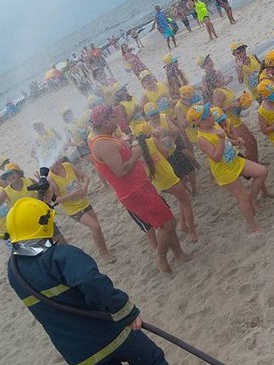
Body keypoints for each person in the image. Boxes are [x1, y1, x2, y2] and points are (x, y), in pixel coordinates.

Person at [4, 197, 202, 365]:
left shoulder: (14, 272)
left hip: (81, 357)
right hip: (113, 333)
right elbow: (90, 282)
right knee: (152, 362)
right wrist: (124, 308)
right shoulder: (62, 256)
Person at [88, 105, 191, 274]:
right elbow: (121, 171)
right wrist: (137, 152)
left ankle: (179, 254)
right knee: (168, 223)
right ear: (104, 121)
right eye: (113, 118)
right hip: (134, 192)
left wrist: (127, 145)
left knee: (166, 221)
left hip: (140, 185)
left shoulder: (105, 138)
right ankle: (161, 259)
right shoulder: (103, 144)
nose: (116, 121)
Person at [188, 104, 267, 232]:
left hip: (235, 160)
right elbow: (216, 157)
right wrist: (220, 139)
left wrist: (237, 141)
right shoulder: (201, 139)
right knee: (243, 198)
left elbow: (227, 140)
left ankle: (253, 198)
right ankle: (253, 226)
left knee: (262, 171)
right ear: (200, 122)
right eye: (208, 115)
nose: (212, 116)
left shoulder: (214, 125)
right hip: (224, 170)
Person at [136, 122, 198, 242]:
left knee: (181, 197)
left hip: (159, 183)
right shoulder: (153, 141)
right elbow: (167, 153)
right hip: (169, 178)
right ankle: (192, 232)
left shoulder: (137, 149)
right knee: (186, 203)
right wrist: (159, 138)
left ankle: (182, 224)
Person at [47, 159, 114, 262]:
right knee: (95, 226)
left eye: (57, 161)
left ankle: (104, 251)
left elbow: (84, 177)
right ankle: (104, 254)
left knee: (97, 228)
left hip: (84, 202)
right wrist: (71, 195)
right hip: (74, 209)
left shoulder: (68, 166)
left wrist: (84, 186)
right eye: (53, 163)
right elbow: (55, 200)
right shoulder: (51, 179)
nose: (56, 164)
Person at [212, 84, 259, 164]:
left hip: (236, 120)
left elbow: (229, 102)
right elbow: (216, 111)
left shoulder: (225, 88)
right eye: (219, 75)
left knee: (252, 141)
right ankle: (252, 166)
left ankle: (255, 163)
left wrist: (240, 100)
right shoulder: (219, 92)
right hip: (231, 123)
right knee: (249, 143)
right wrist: (232, 105)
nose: (222, 76)